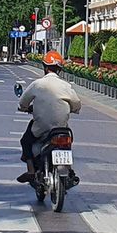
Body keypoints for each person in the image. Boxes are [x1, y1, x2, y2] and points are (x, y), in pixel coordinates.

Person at [14, 52, 80, 182]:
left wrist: (24, 108)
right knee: (68, 142)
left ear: (45, 67)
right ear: (59, 69)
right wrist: (71, 108)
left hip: (41, 128)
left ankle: (31, 170)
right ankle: (69, 168)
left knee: (25, 141)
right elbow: (76, 104)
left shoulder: (38, 84)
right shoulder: (65, 86)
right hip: (61, 127)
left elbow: (22, 103)